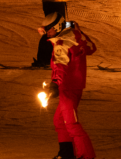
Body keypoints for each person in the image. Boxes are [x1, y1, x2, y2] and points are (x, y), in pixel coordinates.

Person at [42, 13, 97, 159]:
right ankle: (66, 153)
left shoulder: (62, 43)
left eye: (49, 29)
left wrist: (55, 84)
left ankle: (86, 156)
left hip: (68, 87)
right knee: (59, 120)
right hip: (73, 85)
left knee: (71, 124)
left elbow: (60, 66)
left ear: (58, 26)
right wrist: (77, 29)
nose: (47, 32)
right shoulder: (74, 36)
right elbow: (91, 47)